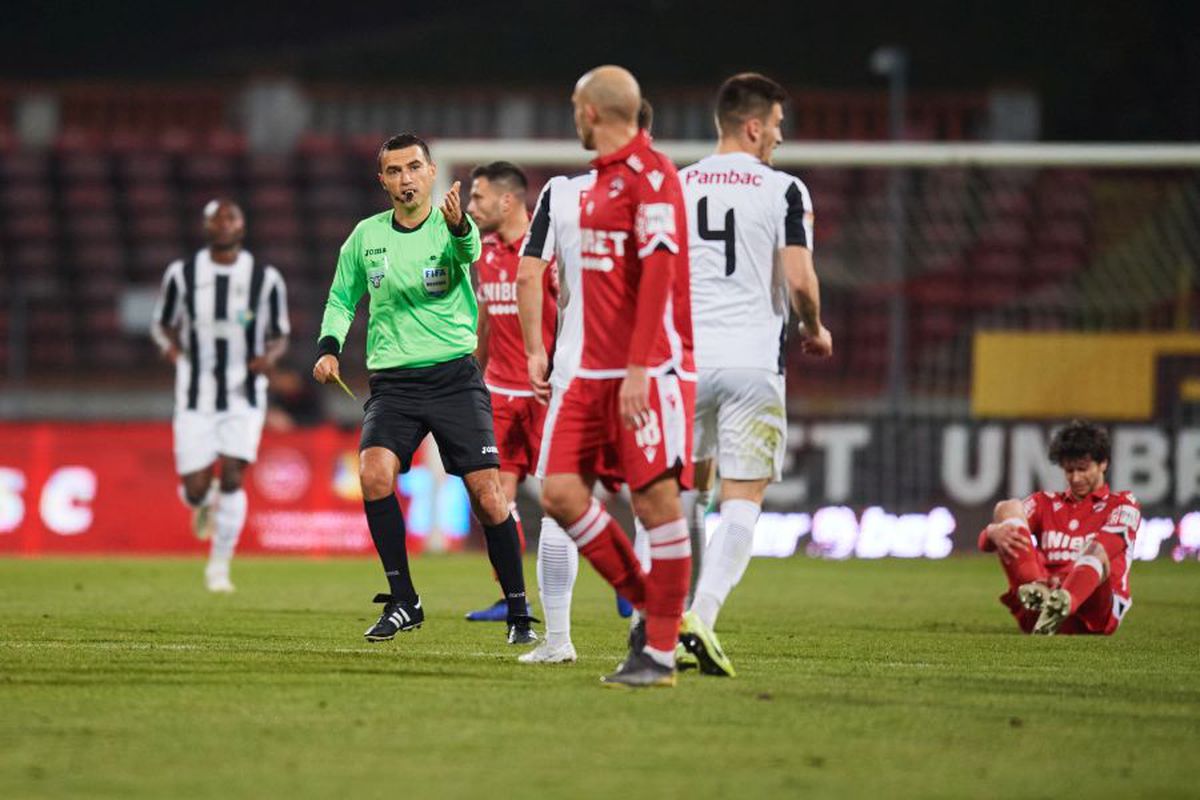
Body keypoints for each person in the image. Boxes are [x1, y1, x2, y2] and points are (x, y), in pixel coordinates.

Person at [313, 133, 537, 646]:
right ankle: (403, 600)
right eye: (394, 171)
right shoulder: (366, 236)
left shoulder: (452, 226)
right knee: (373, 475)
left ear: (432, 173)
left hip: (455, 378)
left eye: (414, 167)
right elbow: (341, 298)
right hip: (393, 383)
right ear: (383, 180)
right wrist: (328, 347)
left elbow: (469, 249)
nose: (405, 178)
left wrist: (460, 223)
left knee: (488, 495)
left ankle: (520, 610)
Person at [531, 66, 696, 688]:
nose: (573, 115)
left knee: (655, 505)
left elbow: (658, 273)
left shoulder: (654, 176)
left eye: (576, 105)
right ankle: (657, 610)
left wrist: (638, 366)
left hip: (643, 373)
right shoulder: (596, 184)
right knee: (560, 496)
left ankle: (656, 652)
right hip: (588, 373)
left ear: (592, 112)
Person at [677, 73, 833, 676]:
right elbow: (798, 280)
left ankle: (655, 622)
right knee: (742, 497)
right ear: (751, 125)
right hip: (751, 365)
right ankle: (704, 616)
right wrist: (813, 327)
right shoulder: (785, 190)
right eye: (775, 126)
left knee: (675, 495)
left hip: (684, 361)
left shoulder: (677, 185)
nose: (780, 137)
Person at [515, 99, 656, 665]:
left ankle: (557, 641)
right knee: (654, 504)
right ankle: (655, 632)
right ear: (646, 130)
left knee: (560, 504)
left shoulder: (559, 192)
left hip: (576, 369)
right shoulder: (668, 188)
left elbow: (529, 274)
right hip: (648, 373)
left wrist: (534, 354)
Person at [151, 199, 290, 592]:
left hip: (244, 392)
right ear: (206, 226)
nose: (224, 224)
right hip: (196, 394)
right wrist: (174, 352)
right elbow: (162, 325)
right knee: (194, 490)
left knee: (232, 475)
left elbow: (279, 333)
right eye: (217, 218)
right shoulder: (183, 274)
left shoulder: (265, 278)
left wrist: (269, 357)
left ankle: (219, 567)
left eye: (232, 217)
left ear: (242, 226)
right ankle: (201, 500)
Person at [462, 161, 560, 622]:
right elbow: (483, 320)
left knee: (568, 494)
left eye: (478, 198)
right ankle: (511, 596)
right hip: (498, 390)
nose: (470, 206)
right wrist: (471, 377)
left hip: (547, 391)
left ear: (508, 200)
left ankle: (623, 582)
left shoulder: (548, 252)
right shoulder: (483, 252)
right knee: (490, 495)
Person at [980, 420, 1139, 635]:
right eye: (1069, 470)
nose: (1075, 478)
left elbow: (1108, 547)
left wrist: (1061, 583)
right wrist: (991, 533)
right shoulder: (1045, 502)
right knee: (1008, 507)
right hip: (1039, 596)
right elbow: (990, 539)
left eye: (1083, 469)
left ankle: (1063, 603)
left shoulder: (1122, 503)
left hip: (1093, 612)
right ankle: (1039, 595)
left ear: (1103, 464)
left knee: (1095, 550)